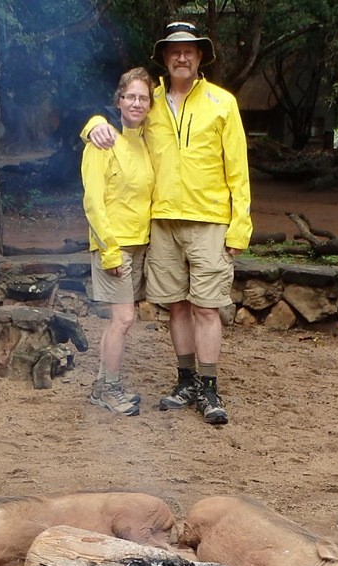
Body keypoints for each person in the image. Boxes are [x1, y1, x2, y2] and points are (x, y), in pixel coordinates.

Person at [84, 22, 252, 425]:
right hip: (162, 224)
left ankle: (208, 390)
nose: (182, 56)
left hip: (210, 220)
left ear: (200, 57)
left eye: (189, 51)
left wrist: (240, 224)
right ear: (164, 57)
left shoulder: (221, 102)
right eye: (174, 51)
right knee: (176, 305)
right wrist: (92, 124)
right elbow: (118, 126)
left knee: (207, 308)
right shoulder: (152, 103)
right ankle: (186, 380)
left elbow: (239, 168)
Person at [82, 67, 156, 417]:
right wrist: (109, 250)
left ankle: (102, 386)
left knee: (123, 320)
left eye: (144, 97)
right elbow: (93, 201)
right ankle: (108, 388)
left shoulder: (145, 143)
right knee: (123, 319)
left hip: (140, 243)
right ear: (119, 100)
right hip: (114, 246)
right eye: (130, 96)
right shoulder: (103, 140)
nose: (137, 103)